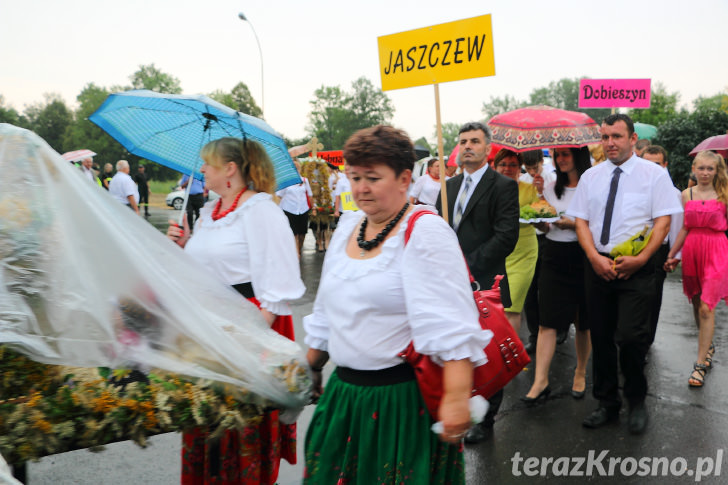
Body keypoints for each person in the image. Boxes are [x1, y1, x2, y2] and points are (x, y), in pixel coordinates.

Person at [303, 125, 491, 484]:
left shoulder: (425, 232)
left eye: (373, 178)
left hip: (399, 405)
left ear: (405, 178)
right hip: (343, 399)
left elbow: (453, 325)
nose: (361, 188)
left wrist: (454, 399)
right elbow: (328, 307)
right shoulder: (348, 226)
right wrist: (311, 365)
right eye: (354, 177)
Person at [167, 137, 305, 484]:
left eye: (207, 163)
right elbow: (203, 272)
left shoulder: (261, 210)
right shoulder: (210, 212)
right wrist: (182, 246)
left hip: (247, 329)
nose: (201, 169)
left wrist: (249, 341)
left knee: (239, 430)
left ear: (230, 169)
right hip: (208, 329)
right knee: (207, 424)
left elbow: (277, 284)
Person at [567, 114, 682, 435]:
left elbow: (662, 222)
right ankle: (607, 403)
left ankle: (636, 401)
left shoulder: (653, 176)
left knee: (632, 338)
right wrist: (593, 258)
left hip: (638, 266)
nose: (610, 143)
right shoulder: (591, 176)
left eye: (616, 136)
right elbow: (581, 222)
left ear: (633, 139)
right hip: (598, 266)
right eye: (605, 137)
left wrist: (643, 258)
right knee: (601, 338)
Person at [435, 121, 519, 444]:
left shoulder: (502, 186)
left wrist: (466, 266)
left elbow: (506, 236)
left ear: (487, 148)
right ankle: (454, 404)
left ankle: (485, 418)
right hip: (448, 283)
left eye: (474, 141)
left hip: (484, 281)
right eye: (463, 141)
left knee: (487, 351)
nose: (467, 146)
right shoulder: (448, 187)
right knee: (454, 347)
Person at [522, 146, 592, 404]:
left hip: (583, 256)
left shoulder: (592, 186)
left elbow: (598, 225)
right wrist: (539, 221)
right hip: (553, 255)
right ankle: (541, 380)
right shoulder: (550, 188)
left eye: (566, 154)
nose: (560, 159)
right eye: (557, 155)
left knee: (582, 322)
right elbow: (545, 225)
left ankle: (581, 372)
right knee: (546, 321)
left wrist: (573, 224)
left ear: (578, 155)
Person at [664, 150, 728, 388]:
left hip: (717, 249)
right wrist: (673, 255)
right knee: (696, 301)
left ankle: (700, 364)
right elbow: (685, 228)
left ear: (716, 170)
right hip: (692, 249)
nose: (705, 173)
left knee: (706, 307)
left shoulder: (724, 194)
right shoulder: (686, 194)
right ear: (694, 168)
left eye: (710, 168)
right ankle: (708, 345)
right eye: (701, 168)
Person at [519, 149, 561, 353]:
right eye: (528, 168)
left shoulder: (552, 177)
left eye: (534, 167)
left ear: (540, 163)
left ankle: (557, 327)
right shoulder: (522, 179)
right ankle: (534, 334)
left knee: (549, 288)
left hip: (548, 238)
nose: (531, 171)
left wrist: (542, 193)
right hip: (529, 237)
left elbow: (556, 210)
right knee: (530, 289)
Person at [493, 148, 538, 334]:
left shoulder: (531, 189)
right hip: (497, 253)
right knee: (497, 307)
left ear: (520, 168)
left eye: (513, 165)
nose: (507, 168)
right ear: (495, 167)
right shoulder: (489, 191)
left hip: (524, 252)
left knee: (512, 307)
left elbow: (541, 218)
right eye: (503, 164)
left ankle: (511, 360)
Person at [642, 145, 684, 345]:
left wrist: (673, 256)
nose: (651, 169)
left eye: (657, 164)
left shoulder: (673, 193)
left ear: (665, 165)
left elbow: (676, 226)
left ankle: (646, 341)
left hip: (659, 251)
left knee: (653, 296)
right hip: (633, 248)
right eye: (646, 164)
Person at [276, 160, 313, 256]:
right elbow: (278, 196)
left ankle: (299, 249)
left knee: (302, 234)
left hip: (303, 210)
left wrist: (313, 208)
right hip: (289, 211)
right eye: (294, 167)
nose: (296, 169)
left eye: (297, 167)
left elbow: (310, 195)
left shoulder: (304, 180)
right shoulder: (286, 182)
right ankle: (296, 254)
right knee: (294, 234)